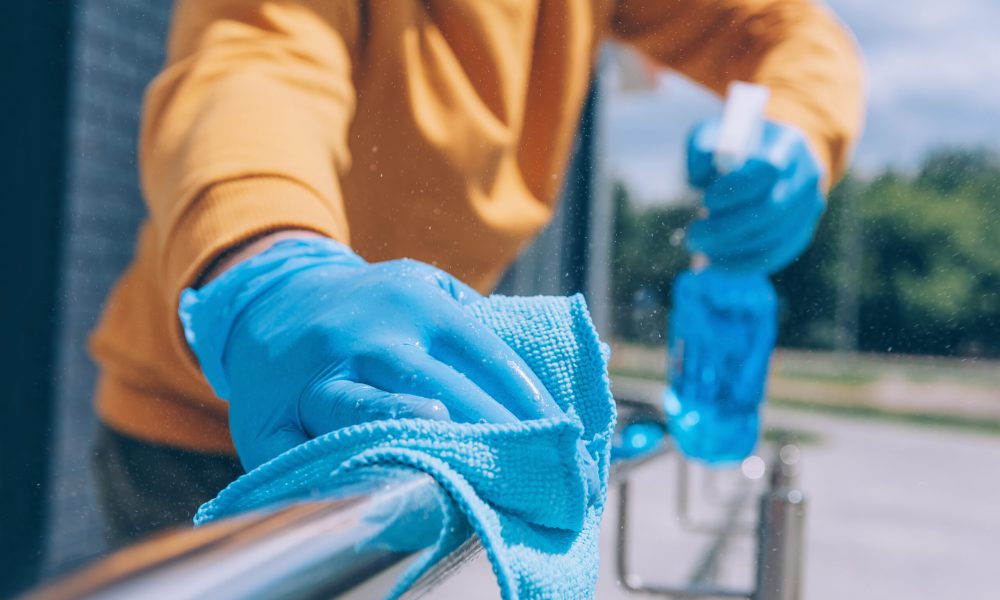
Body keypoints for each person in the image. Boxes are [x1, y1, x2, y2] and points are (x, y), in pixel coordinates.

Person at [89, 0, 863, 545]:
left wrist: (799, 125)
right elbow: (253, 59)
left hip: (402, 428)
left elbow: (783, 27)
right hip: (202, 421)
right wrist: (269, 260)